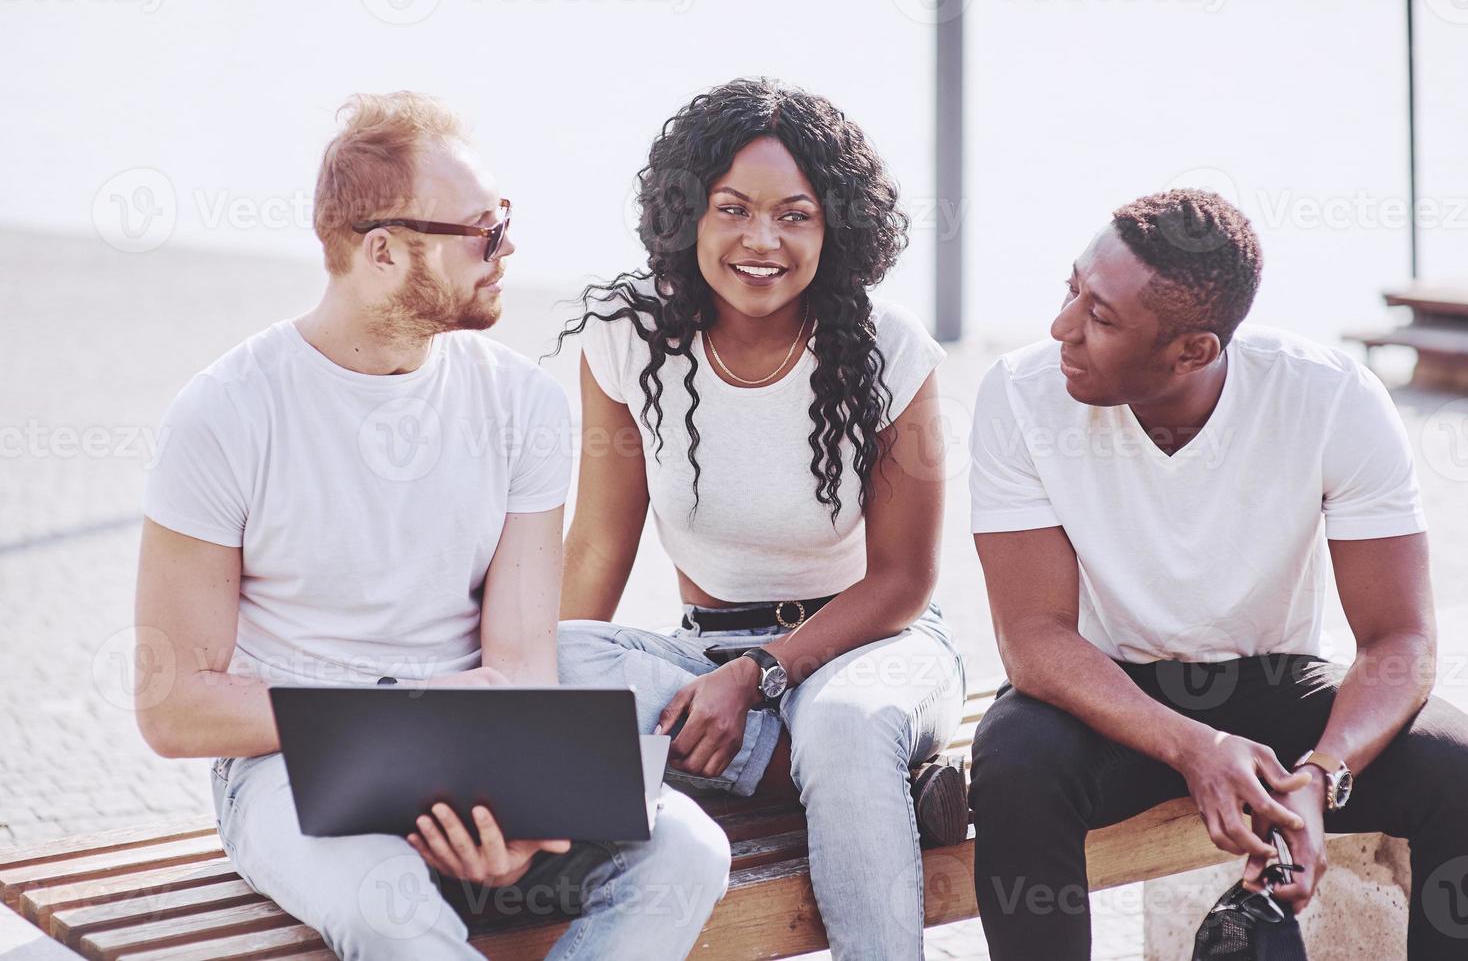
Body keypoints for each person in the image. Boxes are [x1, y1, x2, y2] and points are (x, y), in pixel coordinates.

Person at [134, 91, 730, 961]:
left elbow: (520, 665)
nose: (509, 247)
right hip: (288, 768)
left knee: (690, 853)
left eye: (506, 219)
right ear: (381, 251)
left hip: (478, 750)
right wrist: (399, 719)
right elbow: (174, 705)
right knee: (390, 907)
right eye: (482, 231)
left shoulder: (520, 403)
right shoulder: (225, 415)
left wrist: (518, 810)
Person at [966, 188, 1468, 960]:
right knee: (1013, 763)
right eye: (1072, 288)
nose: (1061, 328)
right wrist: (1195, 747)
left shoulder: (1329, 397)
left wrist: (1320, 777)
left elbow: (1400, 638)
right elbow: (1033, 640)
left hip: (1272, 684)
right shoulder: (1022, 395)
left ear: (1194, 351)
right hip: (1103, 697)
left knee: (1455, 765)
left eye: (1100, 318)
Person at [553, 78, 968, 960]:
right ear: (686, 214)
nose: (761, 240)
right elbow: (596, 544)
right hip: (701, 651)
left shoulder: (887, 349)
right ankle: (831, 779)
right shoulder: (628, 338)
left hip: (874, 648)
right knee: (548, 660)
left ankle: (827, 766)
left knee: (844, 723)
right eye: (732, 208)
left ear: (836, 226)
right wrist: (536, 696)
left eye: (796, 214)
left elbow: (904, 578)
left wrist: (762, 675)